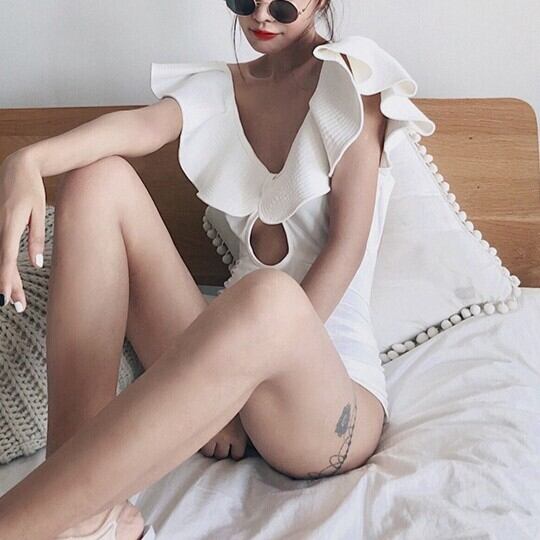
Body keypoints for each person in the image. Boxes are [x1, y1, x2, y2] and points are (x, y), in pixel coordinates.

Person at [0, 0, 437, 537]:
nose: (262, 17)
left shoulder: (352, 82)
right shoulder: (226, 87)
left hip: (320, 394)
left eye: (283, 6)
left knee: (269, 297)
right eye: (245, 1)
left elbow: (346, 248)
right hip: (224, 364)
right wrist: (27, 161)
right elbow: (139, 127)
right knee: (98, 180)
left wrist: (245, 373)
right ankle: (87, 517)